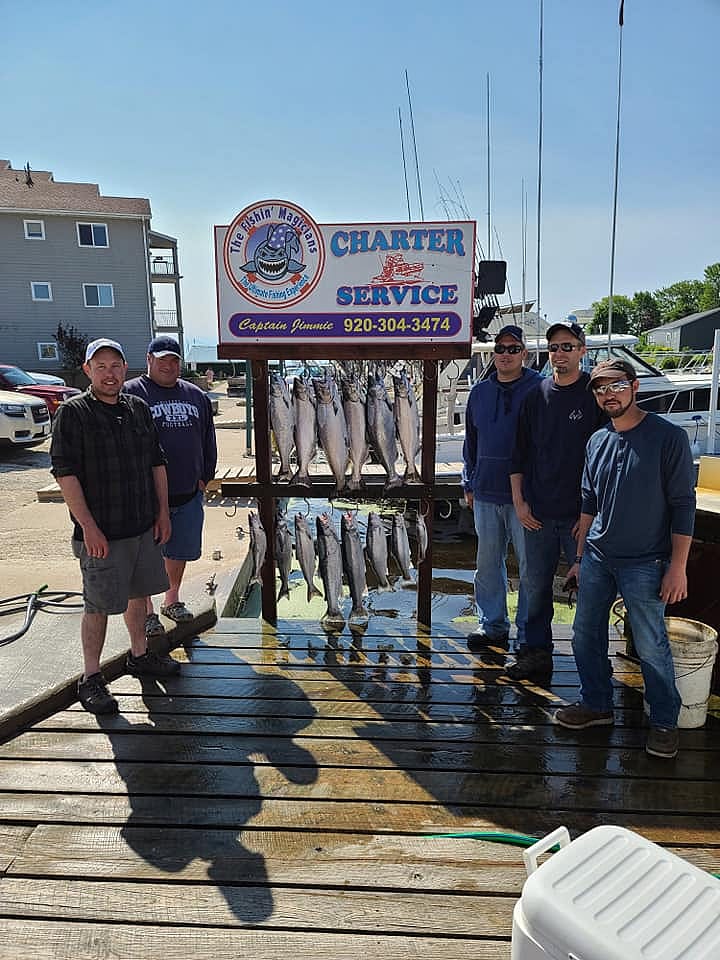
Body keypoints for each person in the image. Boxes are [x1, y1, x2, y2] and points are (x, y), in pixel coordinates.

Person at [555, 358, 695, 759]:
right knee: (584, 634)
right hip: (597, 555)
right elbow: (589, 501)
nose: (607, 395)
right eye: (600, 389)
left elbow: (684, 505)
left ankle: (665, 721)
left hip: (647, 562)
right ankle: (597, 704)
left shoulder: (669, 437)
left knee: (651, 645)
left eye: (615, 386)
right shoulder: (597, 440)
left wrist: (678, 566)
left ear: (634, 387)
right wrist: (579, 558)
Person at [50, 338, 180, 716]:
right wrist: (87, 526)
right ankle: (90, 677)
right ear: (88, 370)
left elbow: (157, 462)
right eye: (101, 366)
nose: (109, 373)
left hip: (142, 527)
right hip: (101, 534)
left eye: (116, 365)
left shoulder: (138, 408)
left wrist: (163, 513)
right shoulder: (73, 413)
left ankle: (138, 655)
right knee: (98, 606)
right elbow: (65, 473)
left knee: (140, 597)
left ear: (127, 369)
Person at [508, 319, 606, 680]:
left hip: (583, 515)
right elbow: (517, 455)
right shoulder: (535, 395)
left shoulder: (594, 394)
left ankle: (592, 661)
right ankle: (535, 653)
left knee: (591, 589)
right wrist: (519, 503)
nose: (560, 354)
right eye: (554, 348)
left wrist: (591, 513)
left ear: (582, 350)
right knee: (534, 587)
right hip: (538, 514)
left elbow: (606, 457)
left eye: (567, 346)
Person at [124, 336, 217, 636]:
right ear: (149, 359)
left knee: (179, 552)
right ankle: (148, 611)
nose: (168, 365)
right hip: (146, 496)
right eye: (161, 359)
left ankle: (171, 599)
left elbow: (208, 439)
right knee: (146, 556)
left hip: (188, 491)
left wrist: (206, 475)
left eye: (174, 360)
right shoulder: (130, 393)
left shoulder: (196, 396)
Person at [462, 325, 541, 650]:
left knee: (530, 568)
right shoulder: (479, 392)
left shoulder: (541, 388)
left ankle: (528, 632)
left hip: (528, 497)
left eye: (513, 348)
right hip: (485, 492)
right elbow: (471, 441)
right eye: (501, 348)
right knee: (487, 564)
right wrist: (468, 481)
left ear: (524, 353)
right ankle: (492, 625)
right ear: (493, 353)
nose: (506, 354)